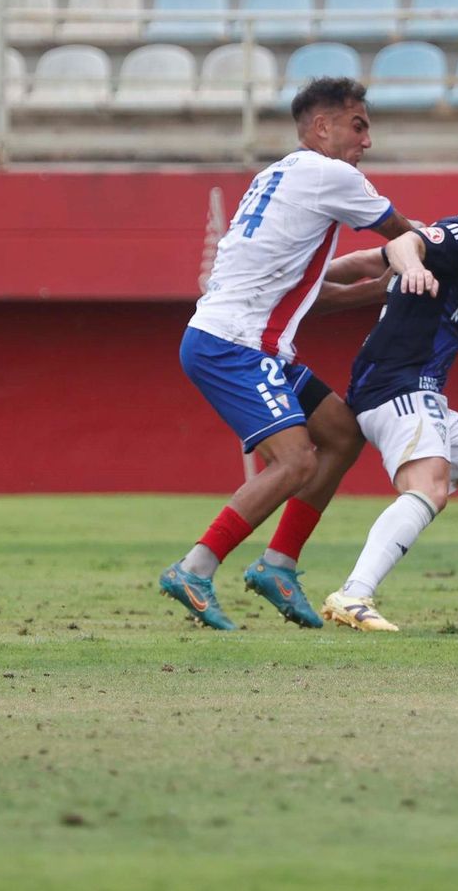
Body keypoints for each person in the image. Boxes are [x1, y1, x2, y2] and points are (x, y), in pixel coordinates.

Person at [160, 77, 432, 632]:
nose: (367, 141)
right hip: (234, 344)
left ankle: (278, 565)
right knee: (296, 460)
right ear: (322, 127)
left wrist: (367, 280)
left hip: (241, 339)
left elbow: (300, 291)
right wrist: (431, 255)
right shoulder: (335, 176)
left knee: (340, 433)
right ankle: (195, 567)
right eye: (358, 125)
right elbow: (406, 237)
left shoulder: (278, 174)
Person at [321, 150, 458, 633]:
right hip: (397, 385)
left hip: (418, 390)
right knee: (429, 489)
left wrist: (312, 279)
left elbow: (371, 257)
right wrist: (411, 264)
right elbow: (407, 243)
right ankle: (353, 594)